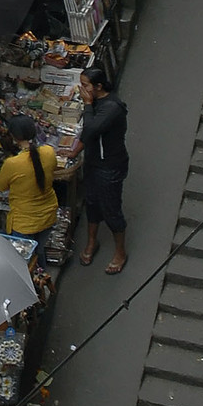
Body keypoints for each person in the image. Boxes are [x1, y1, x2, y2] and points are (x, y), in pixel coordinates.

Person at [78, 63, 129, 274]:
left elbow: (90, 129)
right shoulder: (97, 101)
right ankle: (92, 241)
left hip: (109, 166)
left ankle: (120, 252)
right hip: (92, 162)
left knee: (111, 209)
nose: (82, 90)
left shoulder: (111, 108)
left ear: (98, 87)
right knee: (91, 201)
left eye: (85, 85)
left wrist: (87, 104)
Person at [0, 113, 60, 240]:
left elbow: (0, 187)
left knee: (26, 258)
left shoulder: (12, 163)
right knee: (40, 251)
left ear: (14, 137)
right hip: (48, 214)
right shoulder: (49, 151)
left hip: (24, 222)